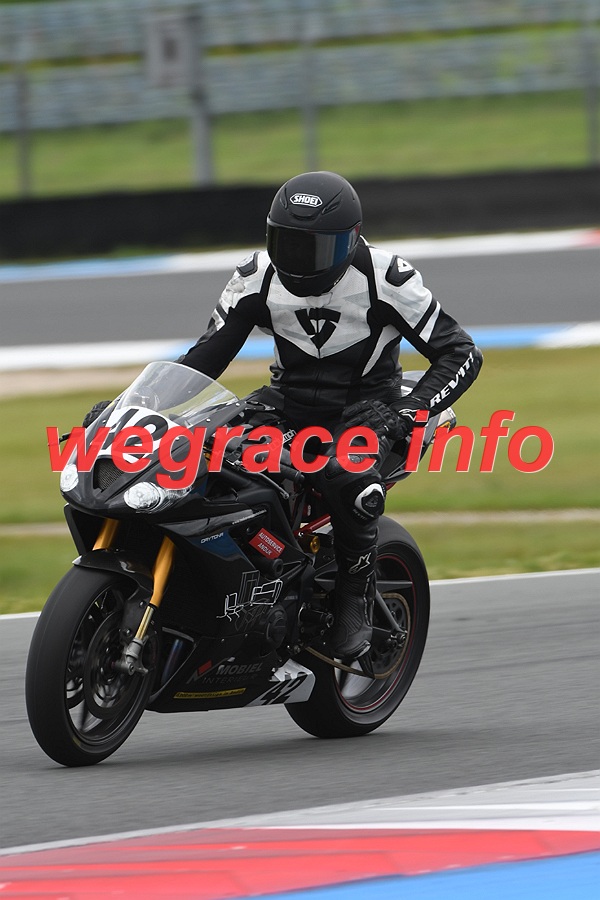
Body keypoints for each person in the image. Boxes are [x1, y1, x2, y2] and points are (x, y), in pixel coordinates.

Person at [176, 171, 483, 659]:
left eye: (314, 248)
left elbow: (460, 352)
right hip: (285, 403)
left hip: (367, 411)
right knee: (199, 445)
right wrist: (137, 407)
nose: (298, 261)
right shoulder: (256, 275)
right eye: (287, 243)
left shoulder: (387, 278)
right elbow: (204, 358)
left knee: (347, 475)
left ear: (351, 239)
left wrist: (409, 411)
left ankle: (354, 596)